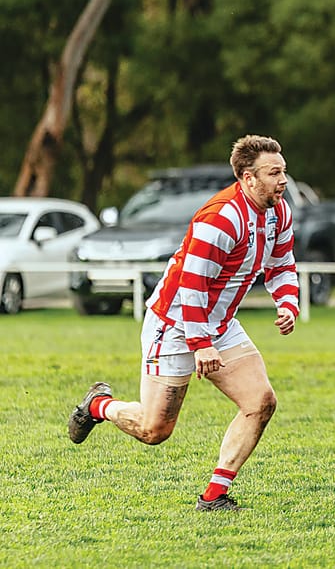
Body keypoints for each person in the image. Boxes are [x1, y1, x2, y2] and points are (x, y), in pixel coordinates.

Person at [67, 134, 299, 512]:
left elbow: (282, 263)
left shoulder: (278, 212)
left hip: (219, 324)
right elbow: (191, 286)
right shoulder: (220, 218)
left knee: (261, 401)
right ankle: (98, 406)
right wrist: (200, 343)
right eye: (274, 173)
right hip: (175, 324)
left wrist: (287, 302)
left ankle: (213, 496)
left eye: (283, 171)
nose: (283, 180)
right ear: (248, 178)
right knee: (155, 430)